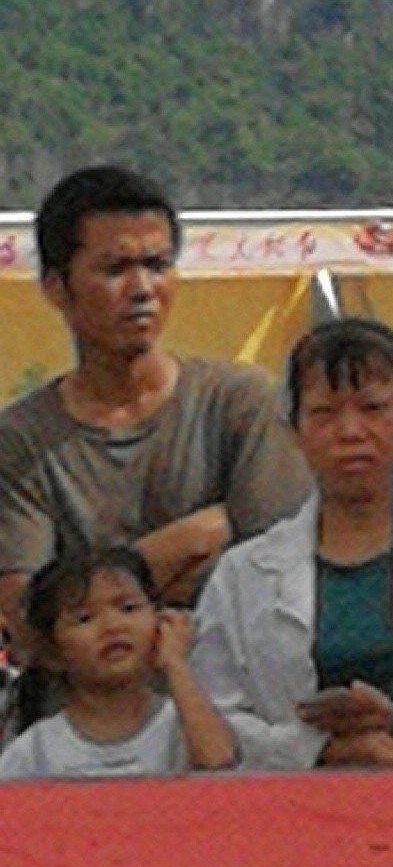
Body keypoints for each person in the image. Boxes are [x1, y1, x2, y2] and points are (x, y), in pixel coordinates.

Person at [188, 319, 393, 770]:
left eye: (372, 408)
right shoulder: (242, 575)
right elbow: (214, 712)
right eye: (325, 413)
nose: (350, 432)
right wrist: (316, 750)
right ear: (294, 431)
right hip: (294, 815)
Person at [0, 164, 306, 649]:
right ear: (56, 287)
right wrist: (187, 540)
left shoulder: (239, 404)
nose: (143, 289)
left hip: (225, 702)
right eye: (115, 269)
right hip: (78, 717)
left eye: (158, 265)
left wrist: (86, 598)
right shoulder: (20, 441)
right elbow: (31, 628)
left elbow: (279, 577)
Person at [0, 545, 238, 781]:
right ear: (52, 652)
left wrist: (175, 663)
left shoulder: (185, 723)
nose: (113, 627)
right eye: (84, 618)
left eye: (128, 608)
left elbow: (217, 762)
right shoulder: (36, 751)